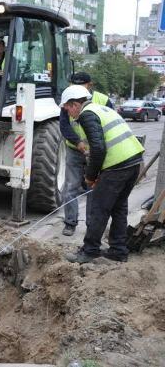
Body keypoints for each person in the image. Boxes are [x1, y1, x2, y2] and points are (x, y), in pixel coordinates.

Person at [59, 85, 144, 264]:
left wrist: (90, 176)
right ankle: (118, 251)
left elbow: (98, 149)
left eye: (67, 107)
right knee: (118, 208)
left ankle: (89, 251)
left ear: (75, 104)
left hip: (118, 165)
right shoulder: (101, 109)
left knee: (98, 209)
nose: (67, 111)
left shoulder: (86, 115)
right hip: (133, 161)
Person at [59, 72, 115, 236]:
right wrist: (78, 142)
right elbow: (64, 125)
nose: (75, 89)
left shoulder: (103, 100)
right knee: (70, 187)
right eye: (73, 85)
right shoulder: (68, 100)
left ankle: (92, 224)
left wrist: (94, 148)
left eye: (80, 85)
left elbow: (109, 122)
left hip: (96, 152)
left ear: (89, 85)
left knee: (93, 187)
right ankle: (70, 222)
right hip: (74, 150)